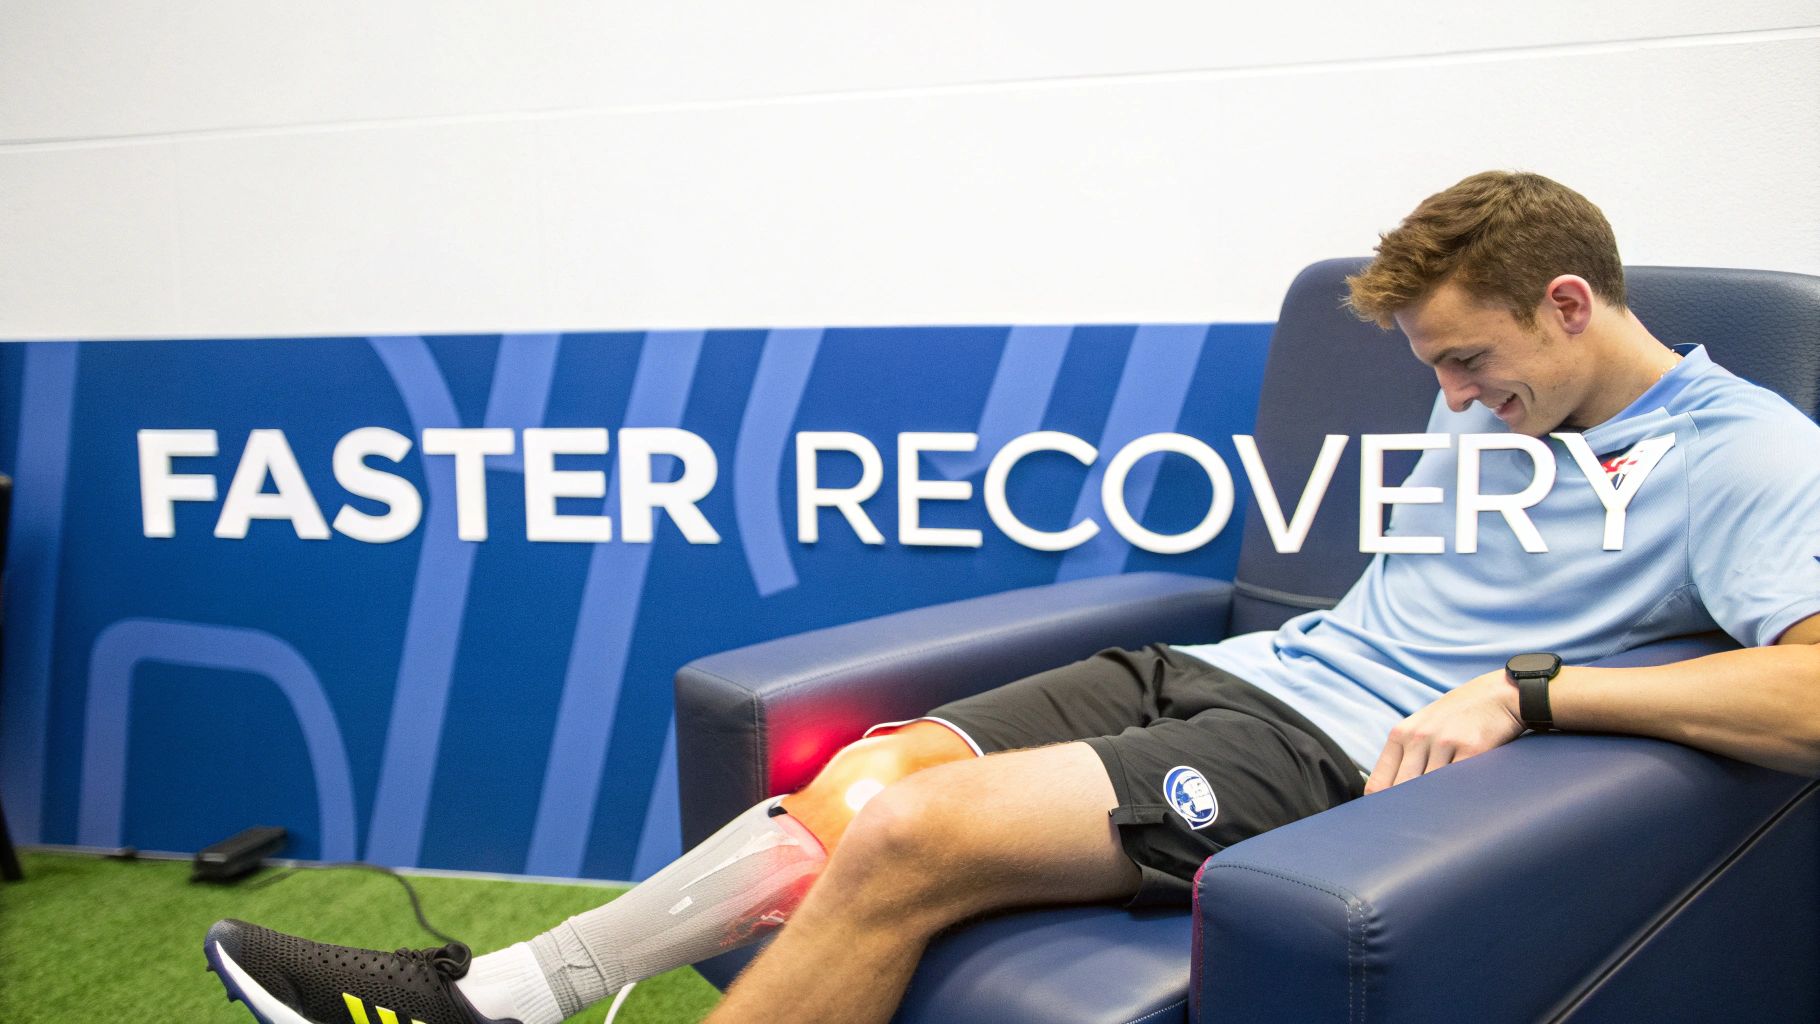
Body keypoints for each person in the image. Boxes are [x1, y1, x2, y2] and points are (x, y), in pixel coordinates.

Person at [202, 171, 1820, 1024]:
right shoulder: (1514, 405)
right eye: (1435, 374)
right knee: (859, 780)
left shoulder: (1740, 451)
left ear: (1565, 303)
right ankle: (500, 1001)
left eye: (1471, 362)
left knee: (911, 843)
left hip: (1338, 762)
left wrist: (1537, 692)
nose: (1455, 401)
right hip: (1238, 673)